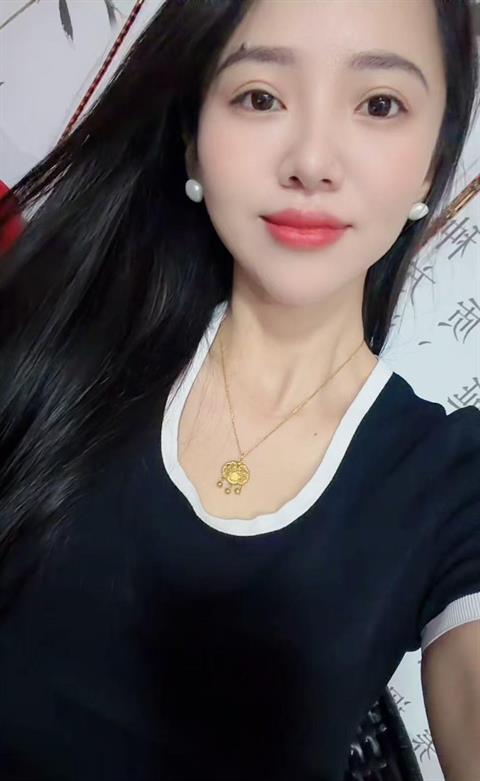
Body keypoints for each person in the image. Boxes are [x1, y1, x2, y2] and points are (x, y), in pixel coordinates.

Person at [0, 1, 479, 779]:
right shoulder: (45, 342)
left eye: (379, 104)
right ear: (192, 139)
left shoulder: (450, 480)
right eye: (260, 96)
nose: (312, 161)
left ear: (432, 160)